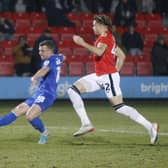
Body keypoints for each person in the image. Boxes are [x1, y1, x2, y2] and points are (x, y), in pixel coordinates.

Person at [67, 15, 159, 145]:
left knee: (119, 107)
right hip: (100, 75)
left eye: (94, 25)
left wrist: (82, 43)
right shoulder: (107, 38)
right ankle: (86, 123)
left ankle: (151, 126)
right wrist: (115, 71)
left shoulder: (105, 38)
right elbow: (121, 56)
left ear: (102, 25)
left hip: (107, 76)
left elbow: (99, 52)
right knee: (72, 90)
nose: (92, 27)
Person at [0, 40, 64, 144]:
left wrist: (34, 78)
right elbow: (62, 57)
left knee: (30, 116)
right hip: (39, 93)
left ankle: (44, 133)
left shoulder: (50, 59)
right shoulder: (57, 58)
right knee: (18, 110)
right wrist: (61, 57)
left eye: (42, 51)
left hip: (47, 94)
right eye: (39, 50)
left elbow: (44, 71)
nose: (40, 53)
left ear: (50, 51)